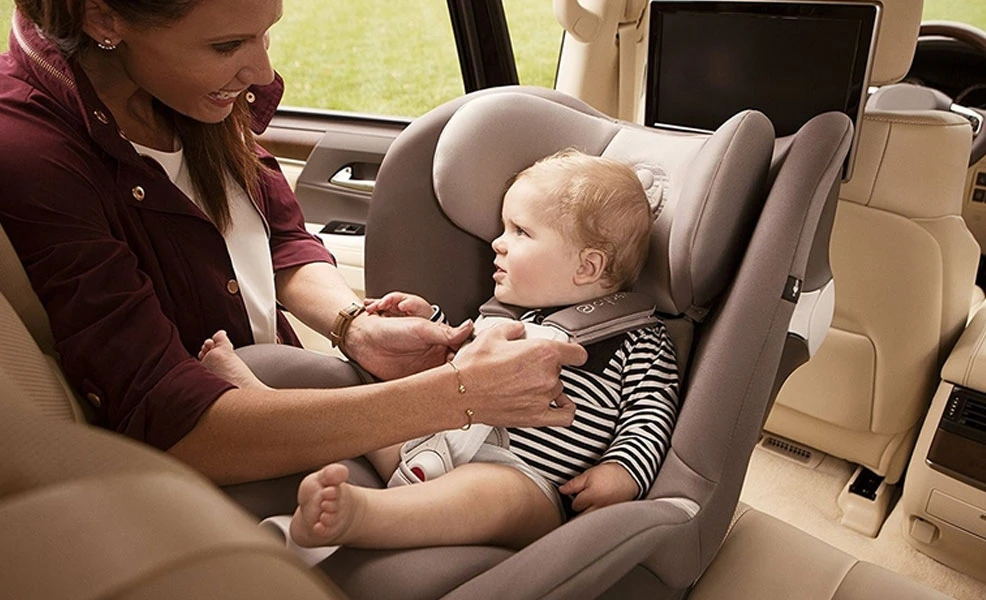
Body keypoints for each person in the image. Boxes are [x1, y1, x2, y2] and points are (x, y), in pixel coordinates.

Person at [0, 0, 586, 487]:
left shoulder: (183, 88)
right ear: (105, 21)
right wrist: (459, 394)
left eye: (267, 33)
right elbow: (172, 423)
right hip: (191, 480)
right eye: (227, 46)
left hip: (273, 404)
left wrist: (352, 325)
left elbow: (277, 236)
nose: (260, 71)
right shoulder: (34, 153)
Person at [202, 149, 680, 549]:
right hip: (431, 435)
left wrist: (624, 470)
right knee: (372, 408)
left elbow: (650, 412)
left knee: (499, 496)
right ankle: (257, 396)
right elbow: (458, 363)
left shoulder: (635, 339)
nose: (497, 243)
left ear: (588, 266)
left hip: (525, 476)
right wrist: (432, 325)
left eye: (520, 232)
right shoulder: (502, 317)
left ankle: (363, 515)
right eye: (503, 228)